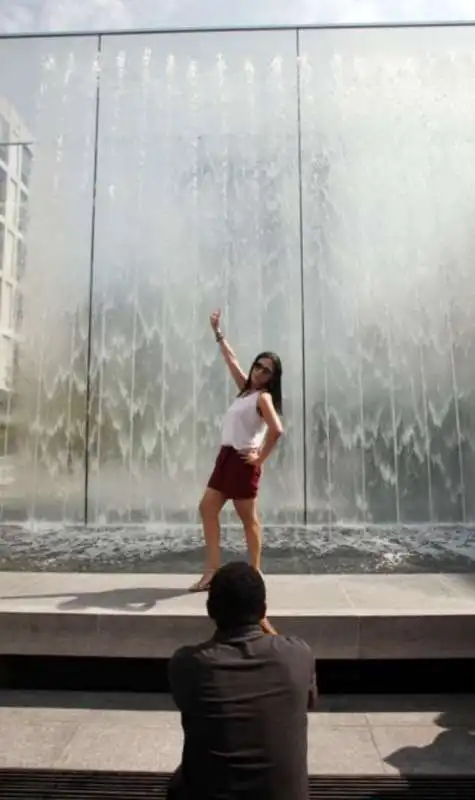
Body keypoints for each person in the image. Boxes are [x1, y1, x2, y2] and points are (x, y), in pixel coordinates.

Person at [167, 562, 317, 800]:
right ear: (263, 610)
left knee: (179, 780)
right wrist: (265, 623)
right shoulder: (298, 655)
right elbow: (308, 700)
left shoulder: (187, 664)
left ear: (210, 610)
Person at [190, 310, 284, 592]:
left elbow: (277, 429)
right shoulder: (246, 391)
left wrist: (259, 459)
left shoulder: (263, 397)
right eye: (258, 366)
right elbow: (231, 359)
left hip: (242, 462)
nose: (259, 372)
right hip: (226, 459)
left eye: (267, 370)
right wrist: (218, 332)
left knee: (248, 520)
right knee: (207, 508)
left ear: (272, 377)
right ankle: (211, 571)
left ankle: (255, 572)